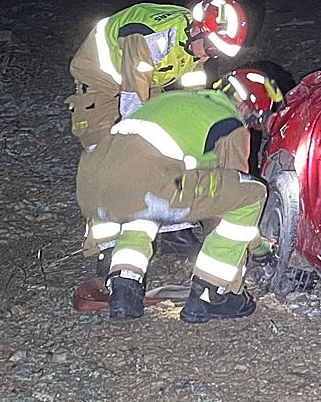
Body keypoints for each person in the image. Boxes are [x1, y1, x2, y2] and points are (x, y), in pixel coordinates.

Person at [76, 68, 283, 322]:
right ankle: (212, 292)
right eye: (254, 120)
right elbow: (232, 199)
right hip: (143, 184)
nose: (251, 126)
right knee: (252, 192)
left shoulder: (176, 102)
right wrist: (259, 248)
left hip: (90, 186)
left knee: (146, 206)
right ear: (246, 108)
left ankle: (124, 286)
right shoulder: (229, 123)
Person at [69, 0, 249, 256]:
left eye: (218, 53)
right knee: (106, 151)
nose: (211, 56)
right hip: (101, 82)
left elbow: (191, 97)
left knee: (171, 143)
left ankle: (173, 228)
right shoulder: (149, 36)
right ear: (196, 29)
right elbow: (133, 100)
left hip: (147, 82)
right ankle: (105, 242)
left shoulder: (195, 47)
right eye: (211, 49)